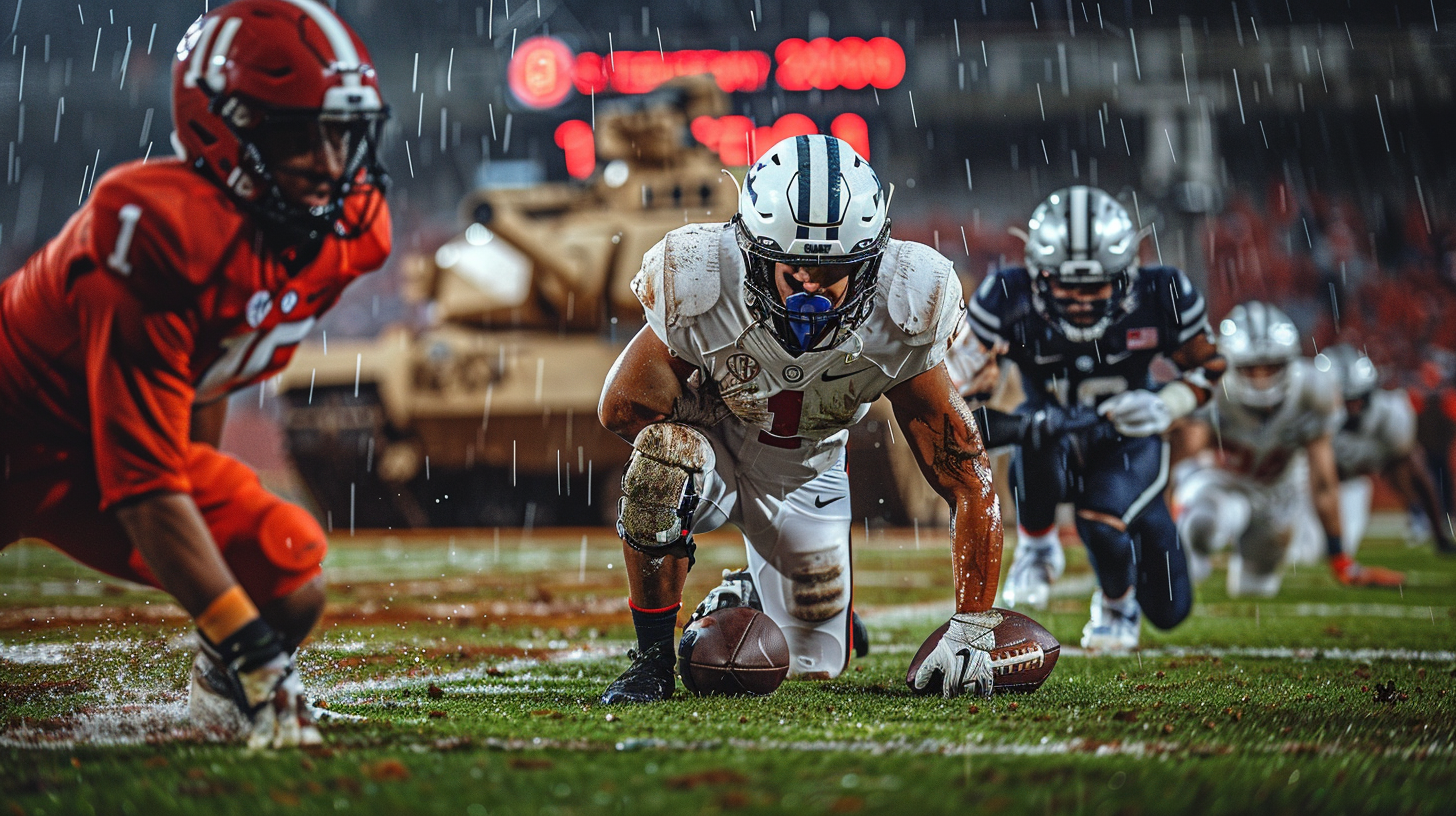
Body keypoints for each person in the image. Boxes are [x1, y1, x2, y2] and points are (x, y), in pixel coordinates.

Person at [0, 0, 391, 747]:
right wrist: (256, 653)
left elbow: (203, 374)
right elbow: (143, 484)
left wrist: (239, 615)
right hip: (17, 420)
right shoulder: (155, 225)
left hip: (96, 455)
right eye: (296, 135)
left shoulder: (350, 235)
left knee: (288, 569)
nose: (329, 165)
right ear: (225, 126)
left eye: (340, 133)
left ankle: (217, 697)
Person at [597, 134, 1004, 702]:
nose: (811, 288)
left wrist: (971, 631)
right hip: (716, 450)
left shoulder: (905, 301)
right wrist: (699, 413)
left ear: (870, 261)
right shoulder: (699, 275)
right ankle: (651, 663)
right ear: (752, 254)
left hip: (811, 474)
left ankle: (754, 595)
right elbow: (621, 406)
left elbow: (968, 475)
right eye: (793, 270)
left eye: (833, 271)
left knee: (812, 661)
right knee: (663, 461)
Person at [951, 185, 1225, 653]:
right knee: (1034, 432)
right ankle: (1046, 555)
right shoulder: (1006, 297)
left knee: (1169, 607)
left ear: (1126, 276)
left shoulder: (1162, 292)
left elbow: (1209, 365)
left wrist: (1168, 403)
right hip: (1050, 436)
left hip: (1128, 441)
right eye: (1066, 284)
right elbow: (953, 398)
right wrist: (979, 383)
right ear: (1038, 276)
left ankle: (1127, 594)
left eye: (1095, 285)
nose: (1080, 300)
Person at [1174, 304, 1405, 596]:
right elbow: (1175, 460)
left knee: (1255, 591)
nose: (1261, 378)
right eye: (1250, 367)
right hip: (1221, 482)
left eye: (1271, 366)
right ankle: (1190, 555)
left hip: (1277, 494)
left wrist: (1340, 558)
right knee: (1205, 522)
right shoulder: (1210, 387)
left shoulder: (1314, 389)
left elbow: (1322, 483)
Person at [1289, 345, 1456, 560]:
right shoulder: (1306, 414)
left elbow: (1414, 474)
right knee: (1299, 554)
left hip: (1350, 485)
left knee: (1335, 549)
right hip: (1303, 487)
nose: (1351, 409)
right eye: (1343, 400)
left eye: (1357, 400)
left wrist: (1439, 535)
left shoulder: (1390, 415)